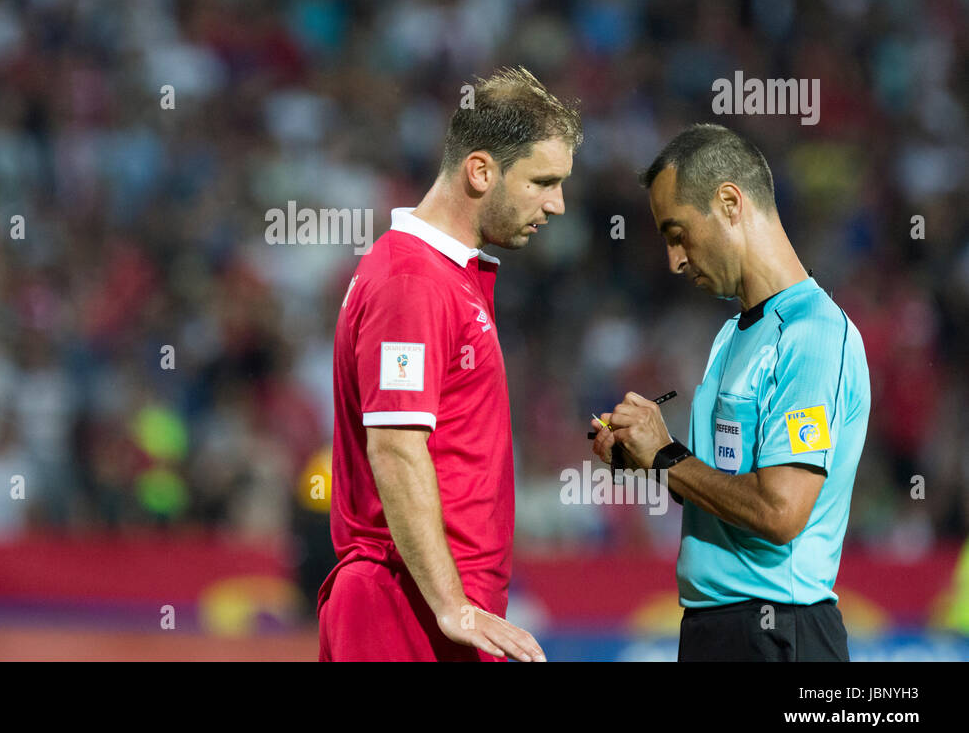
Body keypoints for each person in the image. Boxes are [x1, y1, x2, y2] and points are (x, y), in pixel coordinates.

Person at [319, 66, 581, 661]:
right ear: (481, 171)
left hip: (438, 608)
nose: (558, 204)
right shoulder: (413, 282)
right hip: (402, 607)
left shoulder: (443, 278)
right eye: (543, 181)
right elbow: (395, 447)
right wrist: (450, 604)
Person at [591, 124, 869, 661]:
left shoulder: (811, 335)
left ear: (729, 202)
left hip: (776, 632)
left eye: (677, 233)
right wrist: (647, 456)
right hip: (718, 632)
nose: (674, 259)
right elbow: (723, 483)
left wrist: (667, 457)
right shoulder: (734, 333)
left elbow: (780, 510)